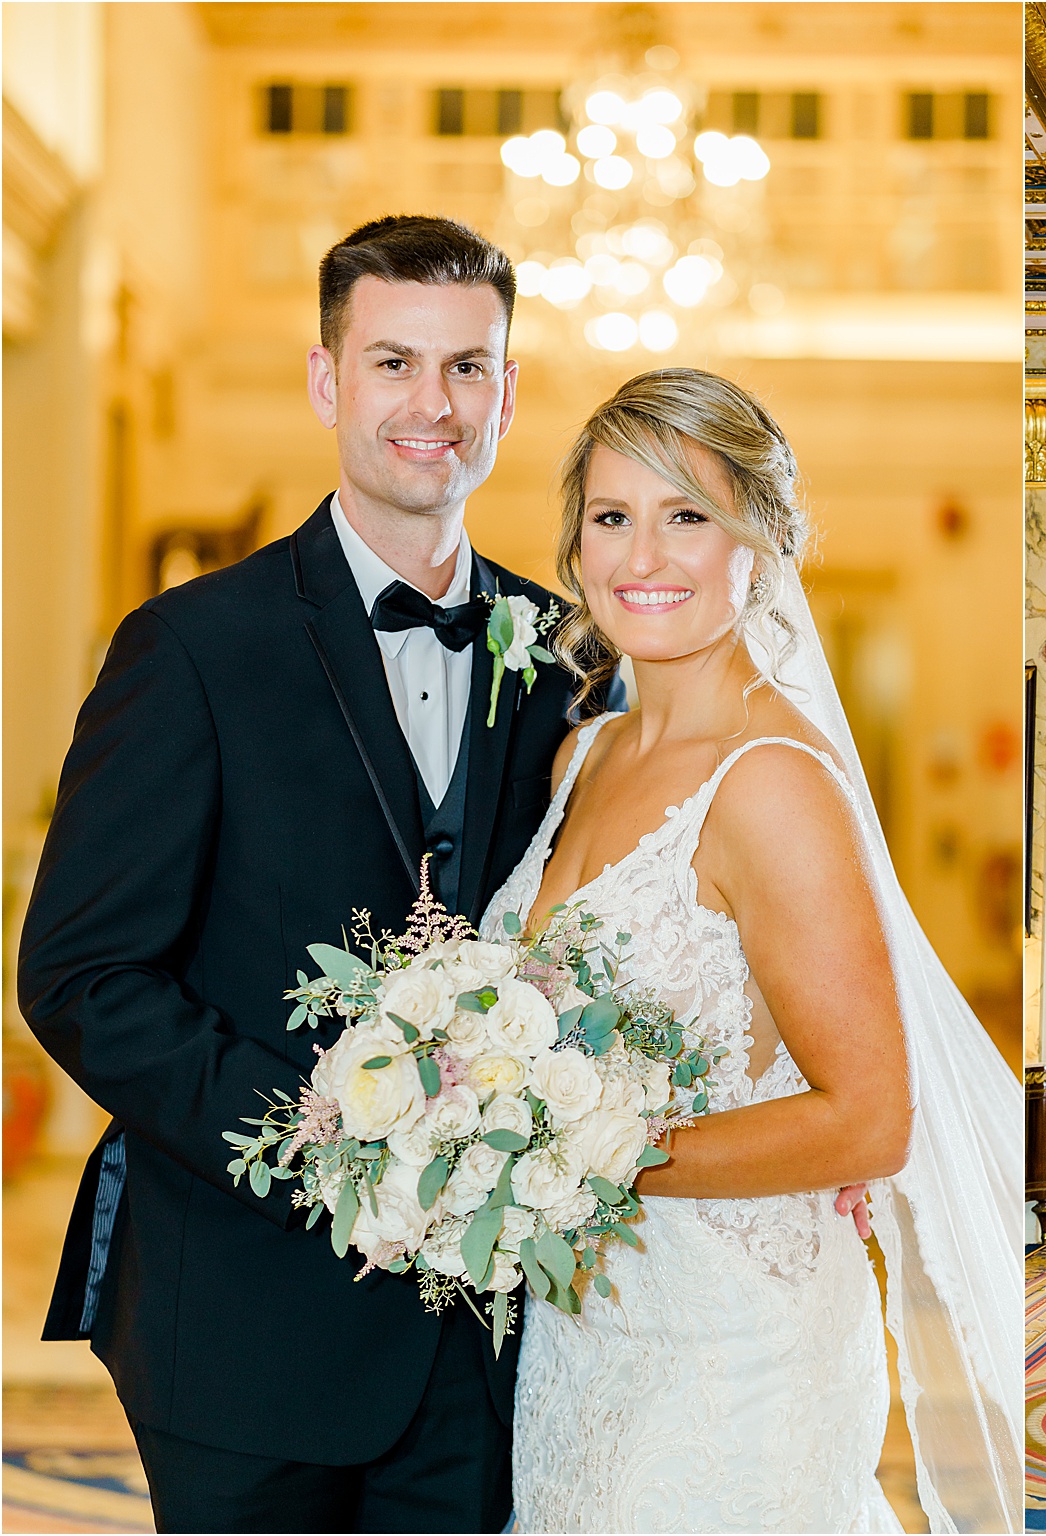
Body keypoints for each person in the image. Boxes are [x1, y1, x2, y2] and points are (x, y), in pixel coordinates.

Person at [17, 216, 571, 1531]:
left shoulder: (563, 653)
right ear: (327, 383)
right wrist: (317, 1133)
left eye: (468, 367)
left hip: (481, 1347)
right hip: (243, 1325)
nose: (432, 405)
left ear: (506, 389)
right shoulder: (191, 648)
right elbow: (83, 974)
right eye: (393, 363)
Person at [491, 369, 1021, 1533]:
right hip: (585, 1335)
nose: (645, 554)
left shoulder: (771, 782)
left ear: (761, 545)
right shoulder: (582, 758)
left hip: (734, 1353)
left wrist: (588, 1157)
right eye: (612, 516)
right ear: (575, 545)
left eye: (689, 514)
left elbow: (869, 1117)